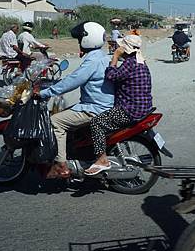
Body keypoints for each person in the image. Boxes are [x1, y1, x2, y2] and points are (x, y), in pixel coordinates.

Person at [40, 22, 114, 178]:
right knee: (66, 114)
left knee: (55, 121)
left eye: (80, 39)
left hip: (94, 108)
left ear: (88, 39)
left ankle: (61, 165)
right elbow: (75, 77)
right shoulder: (102, 56)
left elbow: (74, 80)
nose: (79, 42)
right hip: (101, 105)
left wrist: (46, 92)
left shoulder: (92, 61)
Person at [85, 34, 152, 175]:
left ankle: (102, 159)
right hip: (143, 108)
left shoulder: (130, 63)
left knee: (97, 122)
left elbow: (111, 76)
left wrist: (115, 56)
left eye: (120, 46)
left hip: (130, 110)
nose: (117, 47)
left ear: (125, 49)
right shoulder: (141, 62)